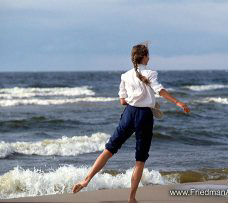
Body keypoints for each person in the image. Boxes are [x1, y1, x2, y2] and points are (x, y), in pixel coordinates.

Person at [72, 42, 190, 203]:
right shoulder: (151, 73)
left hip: (129, 113)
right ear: (144, 57)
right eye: (148, 55)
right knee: (140, 159)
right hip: (144, 117)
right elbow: (159, 90)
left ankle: (86, 179)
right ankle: (132, 198)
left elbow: (122, 101)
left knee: (109, 150)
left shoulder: (125, 76)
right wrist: (178, 103)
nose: (150, 57)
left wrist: (135, 100)